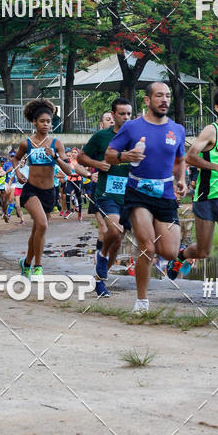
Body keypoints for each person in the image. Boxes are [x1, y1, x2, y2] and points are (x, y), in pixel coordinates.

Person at [105, 82, 186, 313]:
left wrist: (181, 180)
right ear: (148, 100)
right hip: (138, 192)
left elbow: (180, 161)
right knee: (147, 247)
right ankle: (142, 301)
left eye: (168, 96)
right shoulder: (131, 127)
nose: (165, 100)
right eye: (159, 96)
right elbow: (109, 155)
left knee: (169, 252)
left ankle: (170, 256)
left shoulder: (177, 129)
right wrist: (124, 155)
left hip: (166, 194)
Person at [166, 89, 218, 313]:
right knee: (203, 251)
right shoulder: (211, 130)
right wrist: (216, 168)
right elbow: (190, 157)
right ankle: (182, 255)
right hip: (207, 197)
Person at [13, 99, 74, 281]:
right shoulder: (26, 143)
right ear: (34, 122)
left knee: (37, 230)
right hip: (31, 190)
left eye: (49, 121)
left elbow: (69, 170)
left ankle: (26, 263)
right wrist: (17, 172)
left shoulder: (56, 143)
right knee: (42, 225)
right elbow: (16, 159)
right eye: (42, 121)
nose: (46, 125)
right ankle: (38, 266)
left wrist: (55, 156)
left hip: (50, 191)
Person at [78, 98, 133, 298]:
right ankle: (101, 276)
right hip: (105, 192)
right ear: (113, 114)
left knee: (117, 241)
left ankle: (100, 276)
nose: (126, 117)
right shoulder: (102, 136)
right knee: (113, 228)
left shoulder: (136, 137)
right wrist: (98, 164)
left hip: (128, 194)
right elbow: (81, 157)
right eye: (121, 114)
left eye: (129, 114)